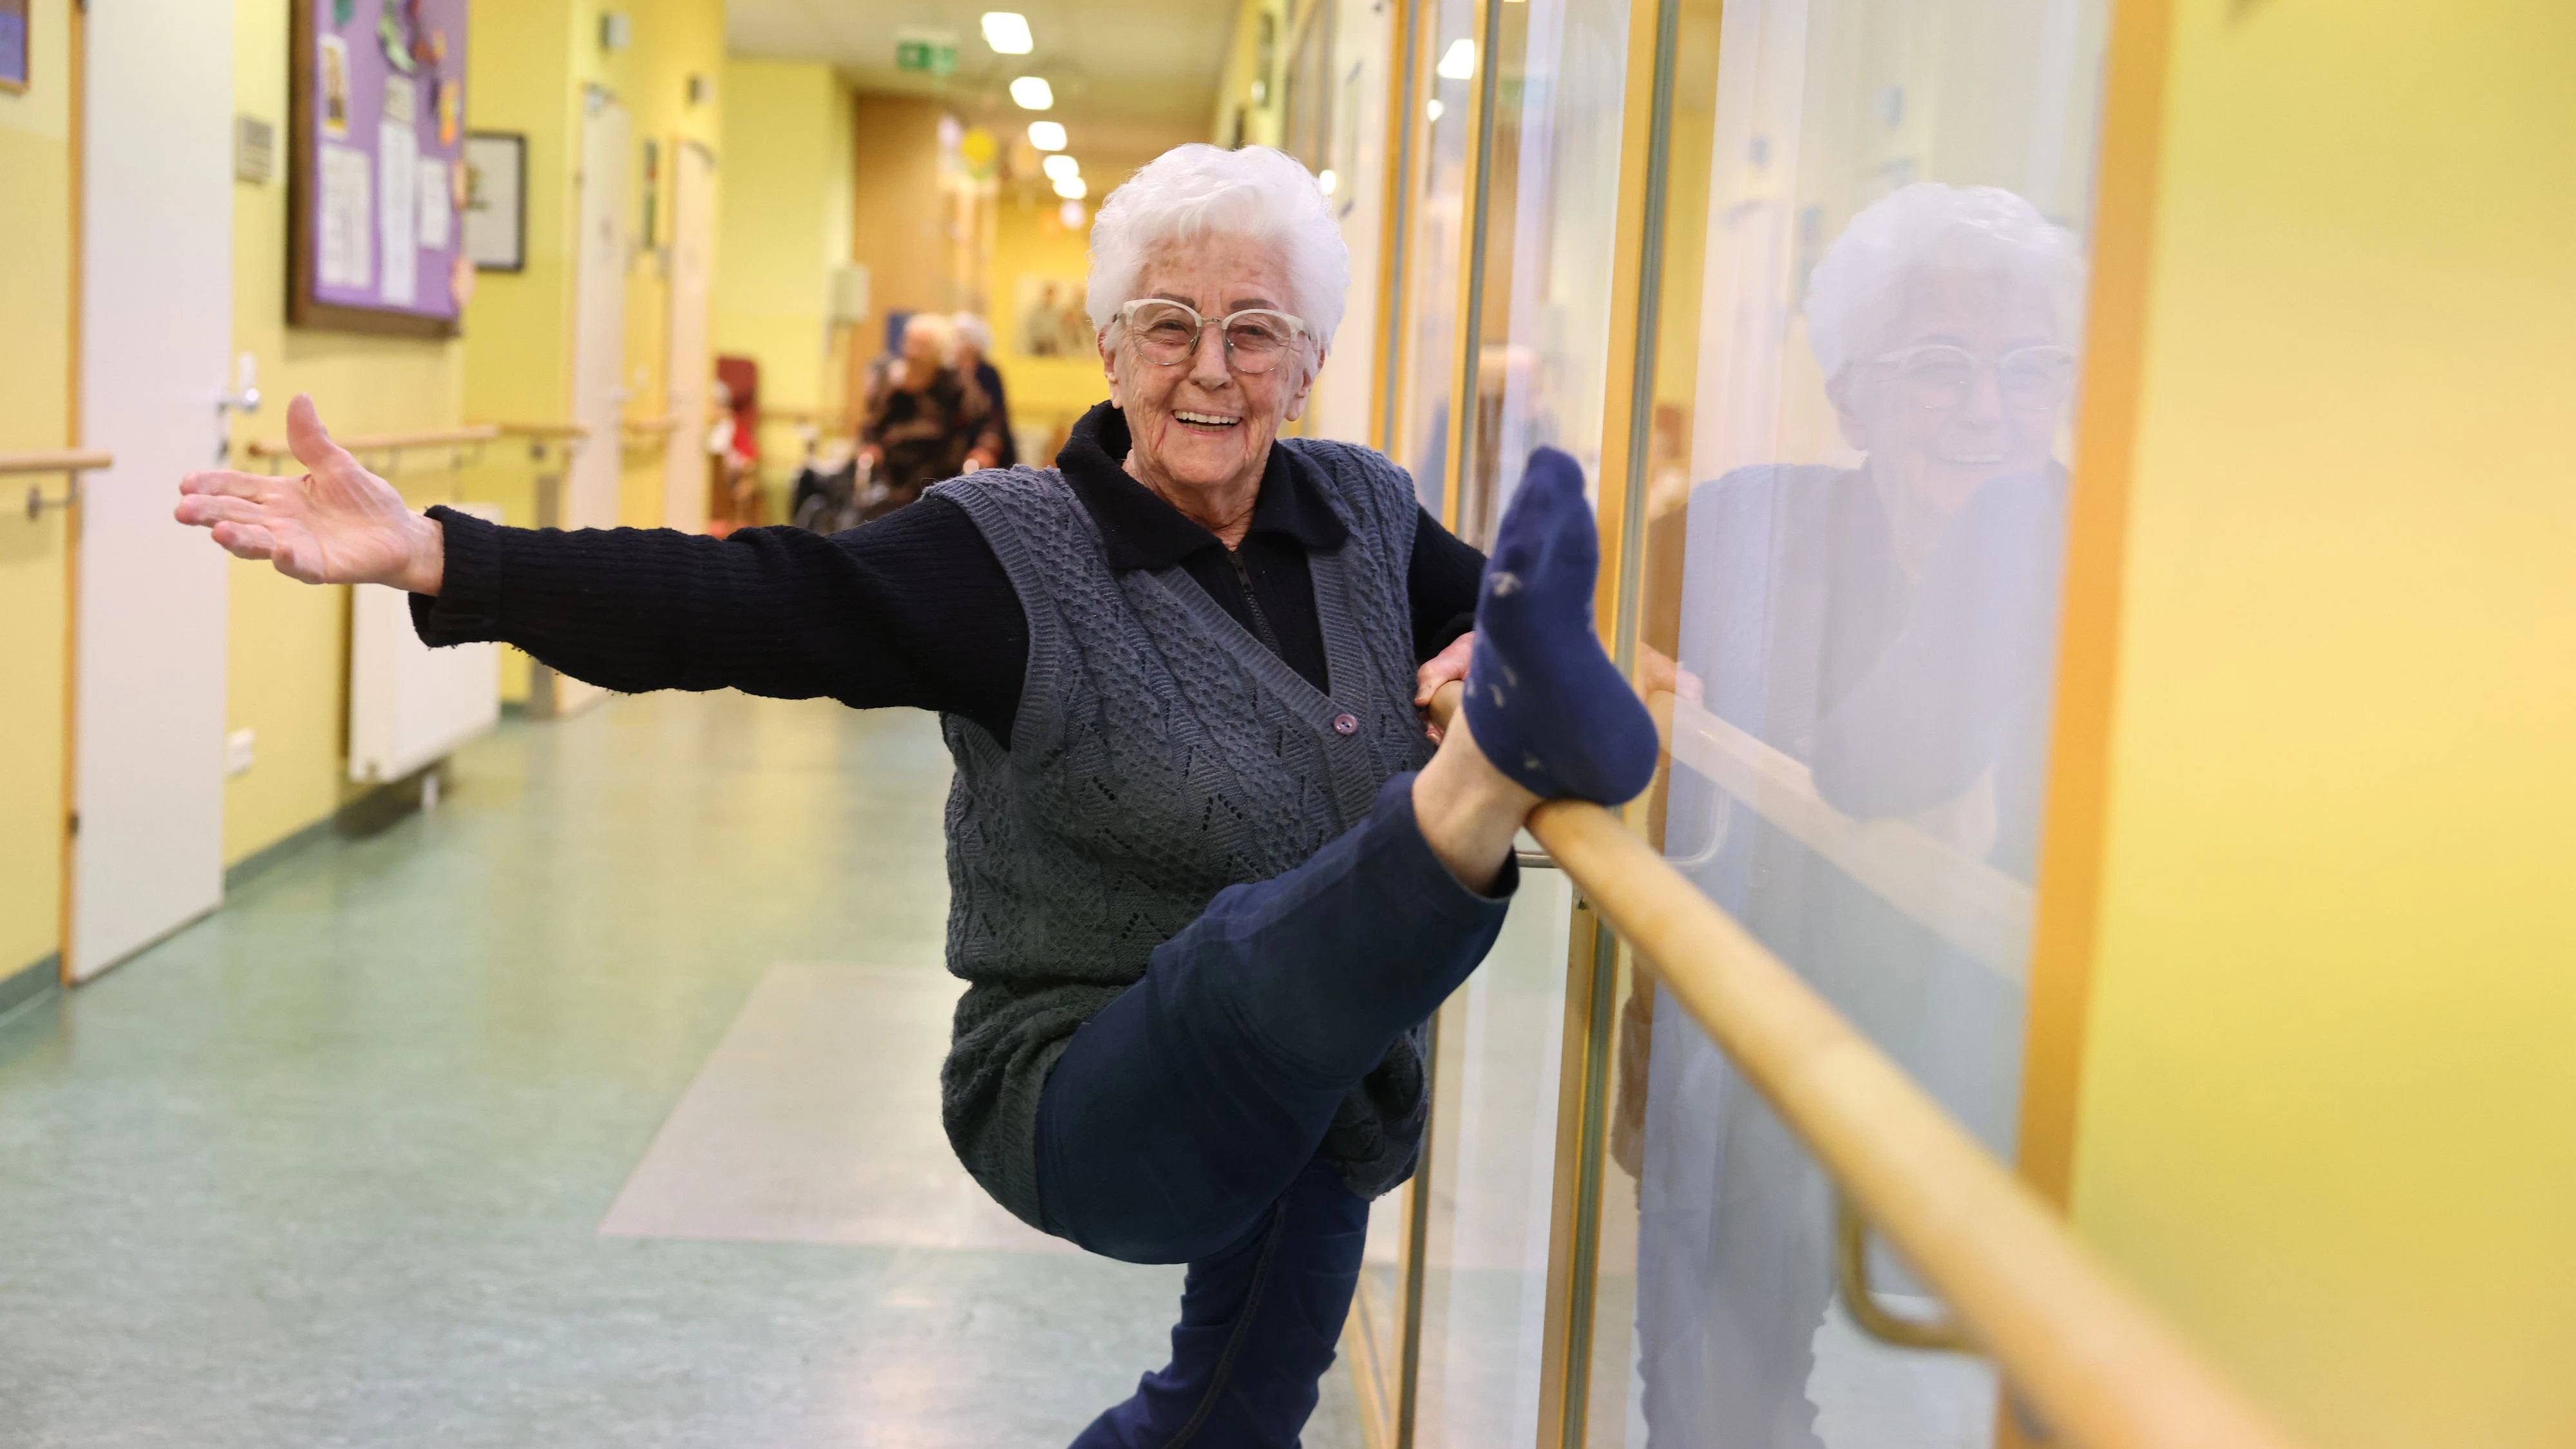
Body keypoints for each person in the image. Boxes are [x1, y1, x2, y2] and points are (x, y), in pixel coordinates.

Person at [174, 142, 1661, 1449]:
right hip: (1091, 1085)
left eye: (1255, 330)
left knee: (1231, 1416)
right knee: (1237, 959)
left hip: (1328, 1087)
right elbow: (745, 600)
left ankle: (1516, 764)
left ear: (1309, 356)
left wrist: (1552, 659)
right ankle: (1473, 796)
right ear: (1106, 342)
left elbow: (1512, 630)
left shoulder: (1364, 514)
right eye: (1168, 325)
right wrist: (449, 555)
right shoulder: (1006, 553)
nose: (1210, 367)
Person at [1631, 182, 2083, 1446]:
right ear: (1848, 396)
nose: (1989, 408)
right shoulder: (1732, 530)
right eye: (1940, 367)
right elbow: (1612, 680)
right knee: (1719, 1401)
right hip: (1754, 1053)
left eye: (2029, 368)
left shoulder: (2101, 558)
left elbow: (1880, 766)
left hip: (1998, 1084)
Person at [859, 312, 980, 514]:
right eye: (909, 343)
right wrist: (869, 445)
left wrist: (982, 450)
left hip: (940, 469)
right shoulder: (892, 381)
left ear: (939, 351)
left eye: (922, 346)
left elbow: (981, 423)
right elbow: (873, 424)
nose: (912, 353)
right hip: (891, 471)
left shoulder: (956, 384)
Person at [952, 311, 1016, 470]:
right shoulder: (949, 372)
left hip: (986, 446)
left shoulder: (989, 373)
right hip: (956, 445)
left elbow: (997, 414)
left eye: (963, 338)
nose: (958, 344)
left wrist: (987, 446)